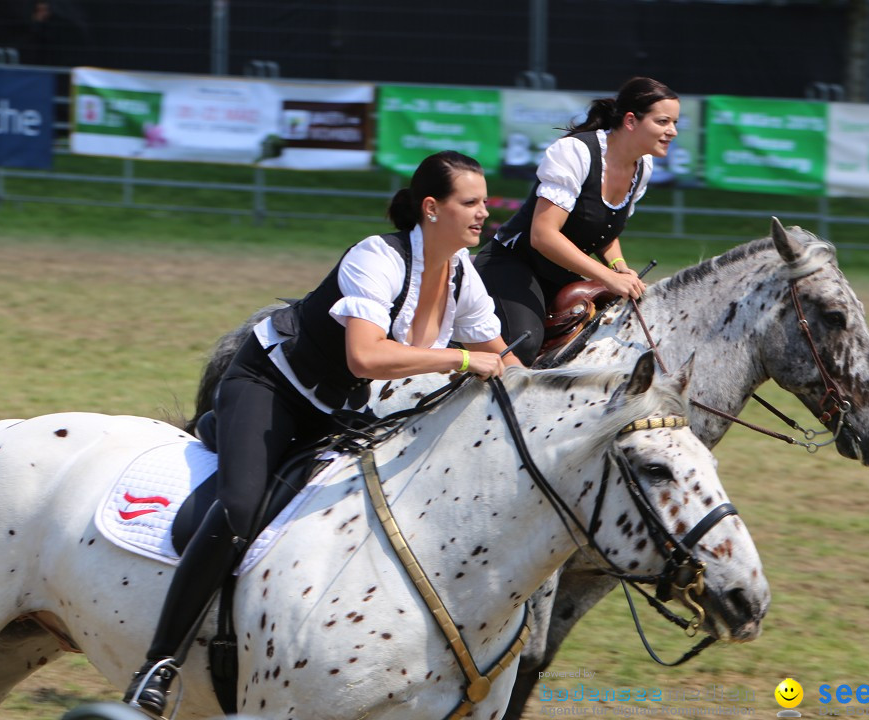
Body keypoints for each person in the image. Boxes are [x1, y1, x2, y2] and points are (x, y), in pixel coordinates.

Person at [123, 150, 520, 715]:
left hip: (341, 409)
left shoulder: (462, 274)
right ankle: (157, 665)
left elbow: (499, 355)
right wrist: (458, 360)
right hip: (270, 385)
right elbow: (363, 357)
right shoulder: (375, 257)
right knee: (240, 507)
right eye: (471, 203)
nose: (485, 214)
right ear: (432, 209)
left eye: (486, 202)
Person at [473, 76, 680, 365]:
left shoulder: (644, 166)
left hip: (558, 273)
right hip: (511, 263)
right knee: (524, 344)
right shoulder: (576, 152)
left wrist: (620, 268)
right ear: (631, 121)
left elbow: (604, 228)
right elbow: (543, 235)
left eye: (675, 123)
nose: (672, 131)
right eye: (663, 122)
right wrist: (607, 278)